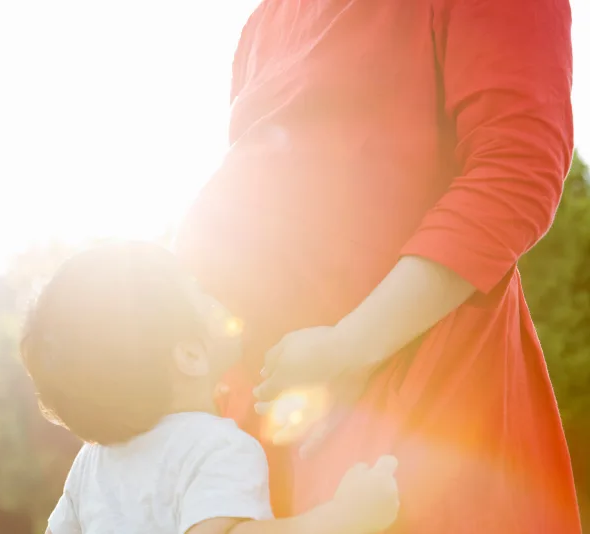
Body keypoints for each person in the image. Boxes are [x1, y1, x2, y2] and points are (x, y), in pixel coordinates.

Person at [174, 0, 582, 532]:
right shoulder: (265, 19)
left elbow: (515, 169)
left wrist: (350, 347)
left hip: (421, 400)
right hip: (264, 413)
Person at [20, 241, 400, 534]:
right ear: (189, 355)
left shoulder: (90, 464)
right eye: (199, 291)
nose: (215, 294)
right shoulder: (215, 445)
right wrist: (341, 518)